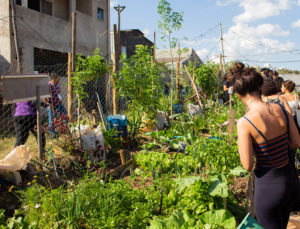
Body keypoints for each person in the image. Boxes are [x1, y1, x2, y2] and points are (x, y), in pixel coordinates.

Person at [231, 63, 300, 228]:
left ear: (239, 95)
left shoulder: (244, 123)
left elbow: (247, 165)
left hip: (268, 188)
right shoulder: (279, 108)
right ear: (261, 86)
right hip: (290, 182)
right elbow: (297, 142)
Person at [45, 73, 67, 138]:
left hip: (59, 104)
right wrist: (48, 103)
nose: (59, 79)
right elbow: (44, 95)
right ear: (54, 78)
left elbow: (58, 93)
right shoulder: (49, 85)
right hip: (52, 105)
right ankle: (53, 135)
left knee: (65, 116)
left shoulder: (57, 85)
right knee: (51, 120)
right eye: (58, 77)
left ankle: (64, 131)